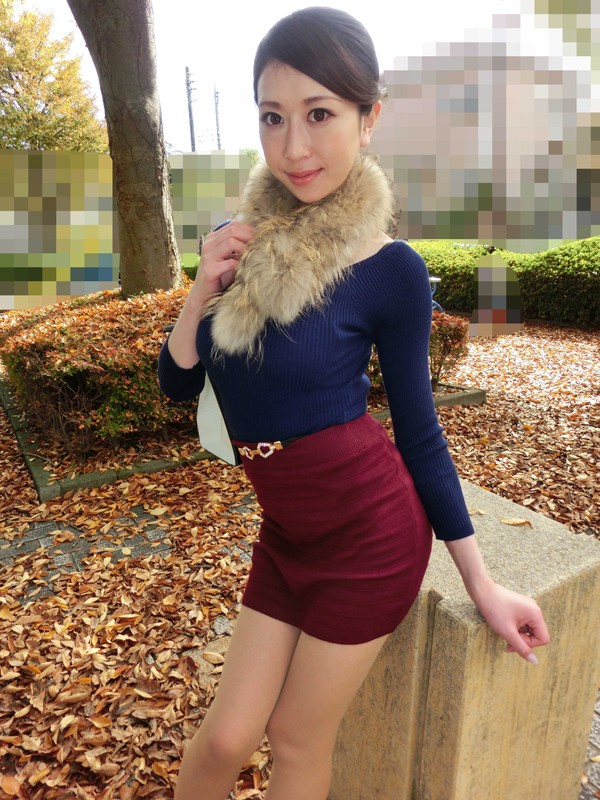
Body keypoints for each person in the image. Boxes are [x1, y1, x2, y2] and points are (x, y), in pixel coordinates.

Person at [158, 8, 550, 799]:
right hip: (287, 533)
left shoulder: (388, 269)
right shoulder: (244, 244)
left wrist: (482, 584)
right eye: (273, 117)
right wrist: (201, 289)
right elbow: (178, 383)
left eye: (320, 114)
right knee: (225, 739)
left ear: (369, 119)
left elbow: (420, 433)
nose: (293, 147)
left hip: (372, 541)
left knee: (296, 739)